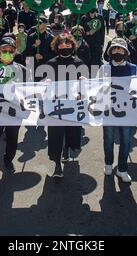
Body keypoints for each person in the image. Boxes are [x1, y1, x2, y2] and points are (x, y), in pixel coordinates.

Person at [0, 37, 29, 186]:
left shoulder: (22, 70)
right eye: (4, 51)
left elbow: (29, 91)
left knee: (12, 141)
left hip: (14, 113)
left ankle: (8, 160)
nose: (7, 53)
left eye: (10, 51)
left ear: (15, 52)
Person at [97, 38, 137, 183]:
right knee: (108, 139)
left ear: (126, 52)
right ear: (110, 52)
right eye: (114, 49)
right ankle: (108, 164)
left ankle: (122, 169)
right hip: (109, 111)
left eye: (120, 49)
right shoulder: (104, 68)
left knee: (126, 140)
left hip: (126, 111)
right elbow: (97, 88)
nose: (117, 52)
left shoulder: (133, 68)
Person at [46, 33, 86, 177]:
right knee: (55, 134)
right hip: (55, 104)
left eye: (68, 45)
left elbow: (85, 86)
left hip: (72, 104)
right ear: (56, 47)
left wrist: (84, 81)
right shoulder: (51, 63)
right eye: (61, 46)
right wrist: (46, 83)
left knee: (71, 131)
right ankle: (57, 164)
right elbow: (44, 83)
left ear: (72, 46)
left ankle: (67, 149)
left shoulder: (79, 63)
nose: (65, 48)